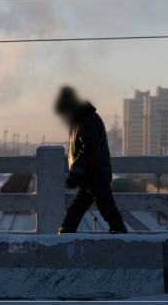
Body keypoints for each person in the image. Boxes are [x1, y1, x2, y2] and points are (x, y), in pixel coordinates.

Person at [54, 86, 127, 234]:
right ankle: (66, 234)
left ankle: (122, 238)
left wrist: (75, 171)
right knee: (81, 211)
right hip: (91, 175)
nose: (64, 118)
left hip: (94, 175)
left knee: (105, 210)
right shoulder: (83, 119)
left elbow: (90, 147)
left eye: (64, 113)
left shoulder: (85, 120)